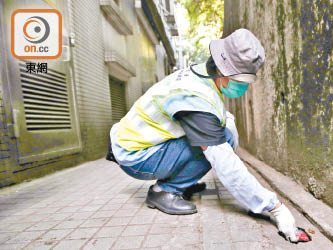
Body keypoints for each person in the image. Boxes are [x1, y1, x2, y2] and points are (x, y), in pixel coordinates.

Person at [108, 28, 302, 243]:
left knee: (221, 133)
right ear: (223, 71)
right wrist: (275, 208)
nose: (245, 86)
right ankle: (164, 191)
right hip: (136, 157)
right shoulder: (194, 99)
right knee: (220, 144)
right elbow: (226, 164)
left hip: (135, 144)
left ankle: (181, 181)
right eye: (242, 80)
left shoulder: (200, 74)